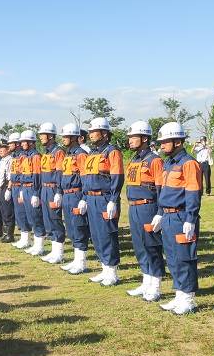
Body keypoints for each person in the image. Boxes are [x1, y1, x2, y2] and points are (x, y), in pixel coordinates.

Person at [154, 122, 203, 315]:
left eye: (165, 141)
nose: (162, 145)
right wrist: (159, 212)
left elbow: (193, 192)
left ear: (177, 142)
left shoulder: (189, 163)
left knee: (185, 258)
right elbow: (164, 192)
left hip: (182, 216)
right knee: (172, 258)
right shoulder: (169, 163)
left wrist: (190, 218)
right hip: (167, 216)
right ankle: (179, 295)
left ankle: (188, 298)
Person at [122, 121, 166, 302]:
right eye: (130, 137)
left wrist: (160, 211)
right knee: (139, 245)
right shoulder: (134, 159)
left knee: (152, 245)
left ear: (145, 138)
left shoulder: (155, 160)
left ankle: (155, 284)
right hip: (134, 207)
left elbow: (161, 188)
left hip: (148, 206)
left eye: (134, 137)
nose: (130, 140)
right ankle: (146, 280)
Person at [82, 118, 125, 287]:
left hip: (105, 198)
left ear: (104, 134)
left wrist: (113, 199)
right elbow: (86, 178)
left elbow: (117, 175)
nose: (91, 134)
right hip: (91, 197)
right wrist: (85, 197)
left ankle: (112, 271)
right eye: (90, 132)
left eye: (94, 131)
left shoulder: (112, 151)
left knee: (107, 234)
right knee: (96, 234)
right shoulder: (93, 153)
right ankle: (104, 268)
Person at [58, 123, 91, 275]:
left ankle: (82, 262)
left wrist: (84, 197)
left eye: (66, 136)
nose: (63, 139)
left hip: (77, 194)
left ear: (74, 138)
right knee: (71, 228)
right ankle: (76, 260)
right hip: (67, 194)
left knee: (79, 227)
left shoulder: (81, 154)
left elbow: (85, 177)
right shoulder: (68, 154)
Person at [38, 122, 67, 264]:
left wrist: (58, 191)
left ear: (50, 136)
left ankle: (60, 253)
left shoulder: (58, 152)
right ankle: (54, 250)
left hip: (53, 189)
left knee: (55, 219)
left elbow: (60, 172)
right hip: (45, 188)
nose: (41, 137)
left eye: (42, 135)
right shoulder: (47, 152)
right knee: (48, 220)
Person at [16, 130, 46, 256]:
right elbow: (23, 174)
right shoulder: (25, 156)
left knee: (36, 217)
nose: (22, 144)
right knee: (30, 217)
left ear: (31, 142)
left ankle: (39, 245)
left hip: (33, 189)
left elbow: (37, 176)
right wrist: (22, 189)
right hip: (26, 188)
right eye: (22, 141)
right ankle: (35, 243)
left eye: (25, 141)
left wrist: (36, 193)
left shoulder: (35, 156)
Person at [0, 139, 15, 243]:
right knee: (3, 212)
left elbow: (10, 176)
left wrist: (9, 189)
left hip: (5, 188)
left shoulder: (10, 160)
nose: (0, 150)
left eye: (2, 148)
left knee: (8, 213)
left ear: (8, 149)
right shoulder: (1, 160)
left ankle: (10, 235)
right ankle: (6, 233)